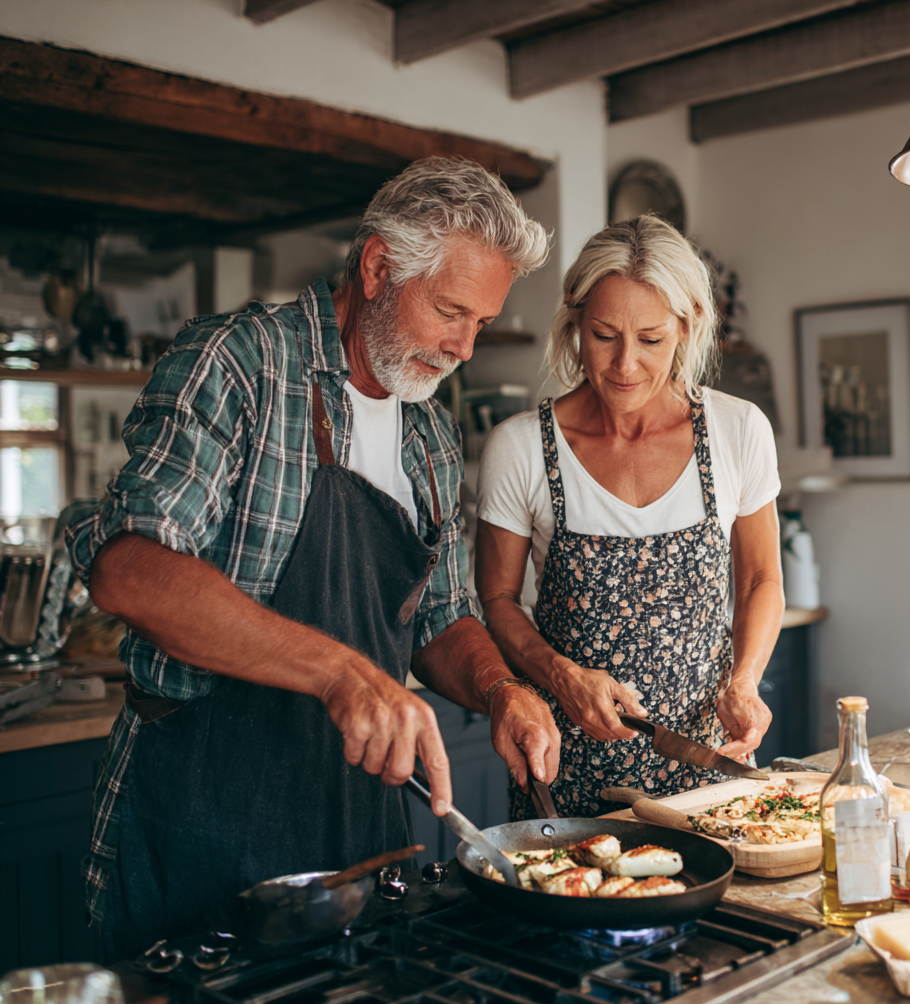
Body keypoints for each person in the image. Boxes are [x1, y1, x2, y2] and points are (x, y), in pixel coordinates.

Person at [66, 157, 561, 960]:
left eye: (480, 322)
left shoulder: (428, 433)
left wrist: (500, 687)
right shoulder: (240, 366)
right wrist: (340, 672)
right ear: (376, 268)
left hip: (356, 824)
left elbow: (441, 618)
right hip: (206, 809)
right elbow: (132, 570)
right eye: (449, 311)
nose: (465, 347)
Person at [475, 215, 782, 819]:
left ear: (686, 327)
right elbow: (498, 601)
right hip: (565, 771)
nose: (625, 365)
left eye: (651, 339)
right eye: (604, 334)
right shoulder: (520, 447)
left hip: (705, 770)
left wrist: (743, 680)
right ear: (574, 319)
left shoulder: (737, 429)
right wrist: (561, 675)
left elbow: (758, 580)